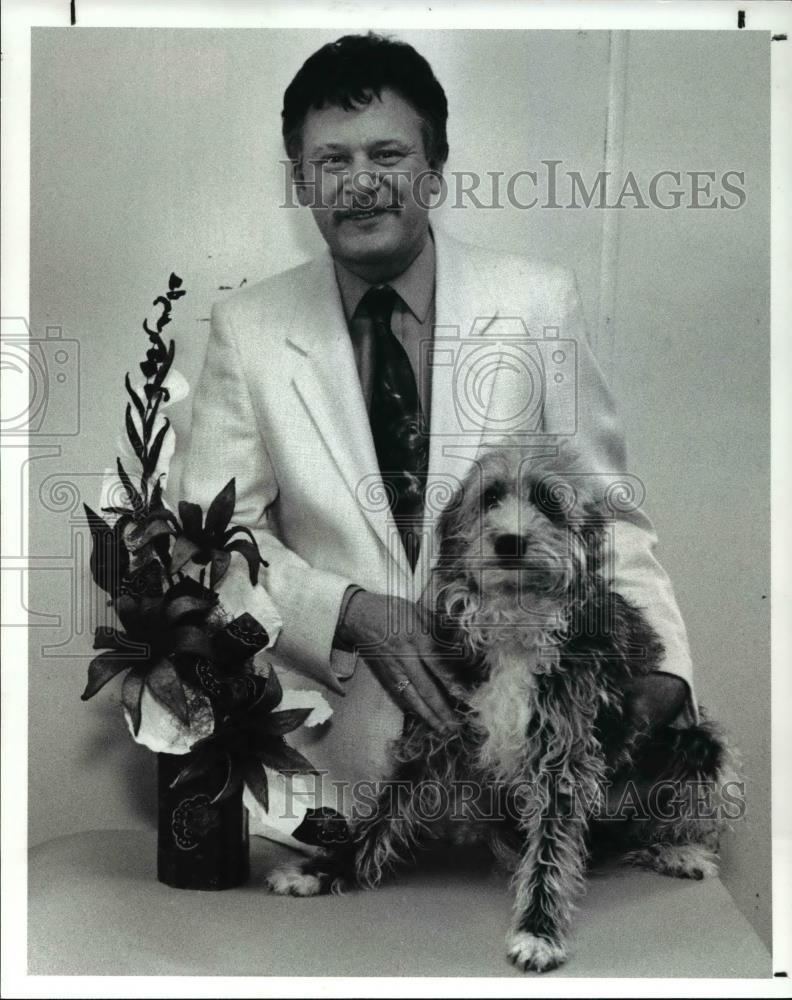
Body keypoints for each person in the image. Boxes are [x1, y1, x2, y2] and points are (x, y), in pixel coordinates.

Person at [181, 32, 694, 830]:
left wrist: (666, 676)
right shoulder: (245, 329)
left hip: (523, 797)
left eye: (386, 154)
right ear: (300, 179)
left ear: (434, 168)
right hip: (335, 801)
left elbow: (608, 515)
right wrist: (347, 612)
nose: (360, 184)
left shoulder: (537, 304)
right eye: (331, 160)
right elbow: (211, 548)